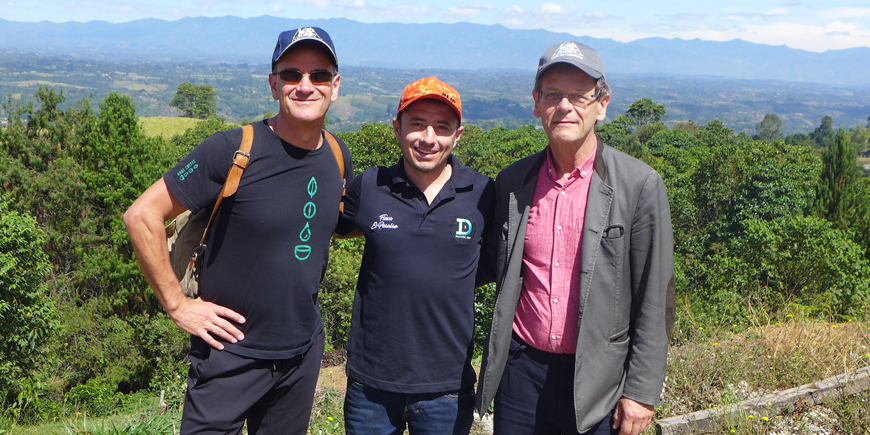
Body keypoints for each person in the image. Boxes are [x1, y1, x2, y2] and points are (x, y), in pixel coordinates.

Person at [124, 26, 351, 435]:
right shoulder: (232, 149)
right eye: (292, 74)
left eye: (319, 75)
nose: (305, 86)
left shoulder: (337, 155)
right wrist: (177, 305)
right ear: (273, 84)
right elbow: (142, 216)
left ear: (334, 87)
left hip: (300, 355)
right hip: (227, 354)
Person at [475, 41, 676, 435]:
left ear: (602, 105)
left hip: (601, 380)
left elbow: (655, 296)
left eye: (579, 95)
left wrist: (641, 392)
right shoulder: (513, 182)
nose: (564, 106)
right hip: (521, 376)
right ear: (537, 103)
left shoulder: (638, 185)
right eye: (552, 94)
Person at [335, 77, 495, 435]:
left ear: (458, 135)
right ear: (397, 127)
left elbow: (497, 261)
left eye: (442, 127)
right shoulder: (371, 186)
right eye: (417, 124)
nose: (428, 138)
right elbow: (326, 228)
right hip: (371, 385)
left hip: (447, 386)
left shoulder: (483, 193)